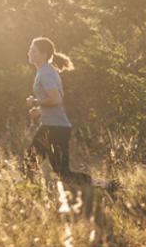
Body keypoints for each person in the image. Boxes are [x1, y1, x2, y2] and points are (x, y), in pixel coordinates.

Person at [25, 37, 116, 196]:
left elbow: (56, 99)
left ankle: (106, 185)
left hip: (55, 128)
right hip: (53, 126)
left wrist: (35, 102)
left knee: (52, 170)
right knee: (37, 164)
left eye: (33, 50)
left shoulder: (45, 73)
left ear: (43, 54)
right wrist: (39, 110)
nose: (29, 53)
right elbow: (54, 101)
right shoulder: (45, 71)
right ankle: (32, 195)